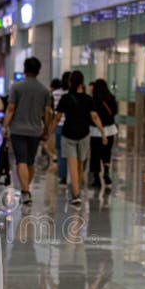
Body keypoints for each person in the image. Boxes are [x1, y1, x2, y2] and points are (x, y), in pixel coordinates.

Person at [2, 57, 52, 206]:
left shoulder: (17, 87)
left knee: (21, 161)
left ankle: (25, 192)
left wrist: (5, 127)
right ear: (38, 70)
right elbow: (47, 112)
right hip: (35, 130)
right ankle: (26, 189)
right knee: (30, 162)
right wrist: (46, 129)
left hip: (18, 130)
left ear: (24, 69)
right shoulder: (44, 90)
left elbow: (10, 109)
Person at [51, 71, 105, 206]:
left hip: (68, 134)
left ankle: (76, 193)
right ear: (82, 83)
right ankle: (76, 192)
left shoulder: (66, 98)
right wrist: (103, 133)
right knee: (80, 165)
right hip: (84, 134)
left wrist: (48, 132)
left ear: (70, 82)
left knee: (74, 166)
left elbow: (57, 118)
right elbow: (95, 117)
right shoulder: (88, 99)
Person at [90, 79, 118, 188]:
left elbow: (92, 116)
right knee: (107, 152)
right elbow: (115, 112)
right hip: (110, 129)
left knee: (95, 153)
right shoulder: (111, 98)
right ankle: (106, 172)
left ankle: (96, 178)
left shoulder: (93, 100)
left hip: (96, 130)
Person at [51, 74, 69, 185]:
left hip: (59, 126)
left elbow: (53, 111)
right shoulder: (71, 94)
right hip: (70, 126)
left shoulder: (55, 94)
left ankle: (63, 176)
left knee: (60, 151)